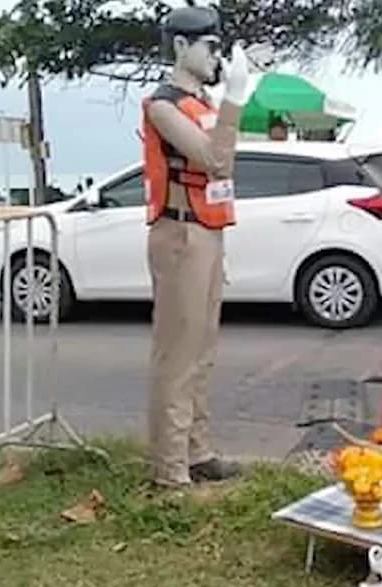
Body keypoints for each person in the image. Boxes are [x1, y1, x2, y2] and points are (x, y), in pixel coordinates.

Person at [141, 5, 252, 488]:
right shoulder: (163, 105)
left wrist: (238, 97)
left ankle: (197, 451)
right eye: (209, 47)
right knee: (178, 355)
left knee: (202, 350)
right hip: (181, 233)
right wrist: (235, 98)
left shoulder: (203, 104)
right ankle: (170, 469)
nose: (216, 56)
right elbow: (215, 160)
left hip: (207, 232)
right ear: (181, 47)